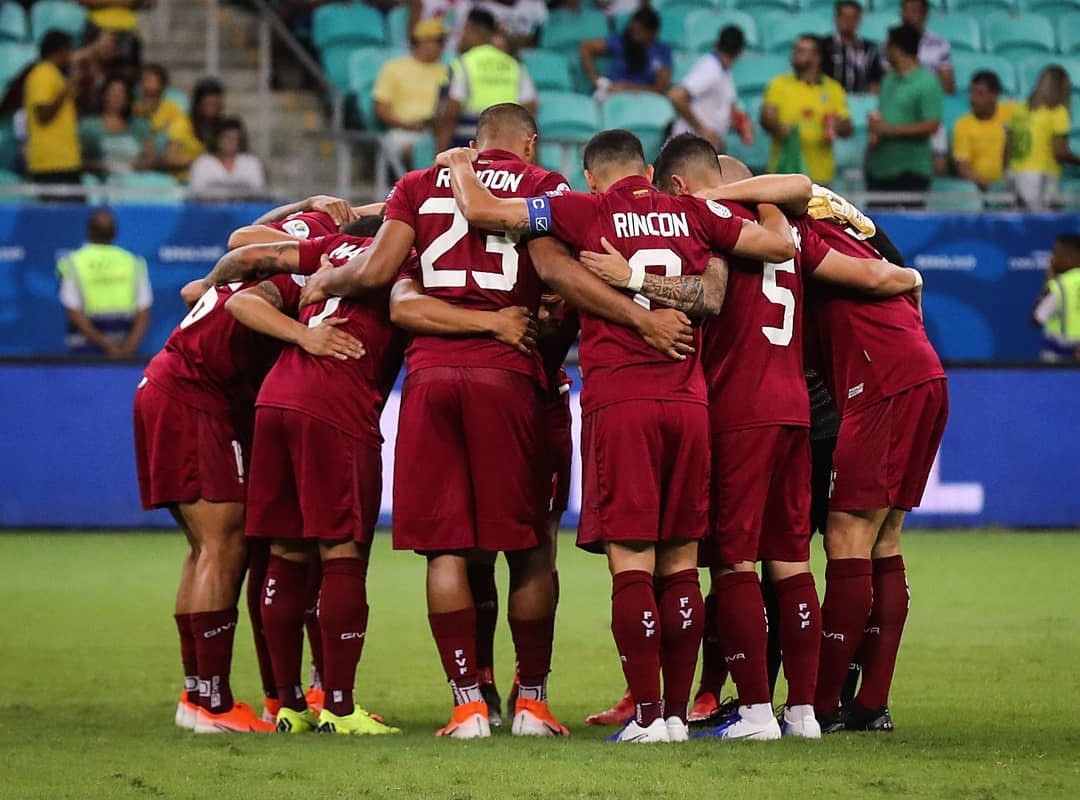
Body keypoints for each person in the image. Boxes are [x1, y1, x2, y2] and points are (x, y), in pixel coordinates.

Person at [302, 104, 696, 739]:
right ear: (530, 144)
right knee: (532, 545)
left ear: (473, 143)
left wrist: (327, 277)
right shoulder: (546, 188)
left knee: (447, 550)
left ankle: (468, 705)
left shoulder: (416, 186)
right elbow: (561, 279)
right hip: (513, 377)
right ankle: (533, 703)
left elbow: (384, 281)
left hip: (429, 379)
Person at [438, 127, 802, 744]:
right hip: (690, 405)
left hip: (621, 402)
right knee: (683, 562)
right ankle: (679, 720)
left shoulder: (587, 209)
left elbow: (479, 210)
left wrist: (457, 164)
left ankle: (649, 716)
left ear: (591, 175)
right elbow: (771, 247)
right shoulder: (692, 211)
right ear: (649, 171)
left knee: (631, 563)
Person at [210, 219, 401, 736]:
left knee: (287, 556)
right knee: (343, 555)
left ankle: (288, 705)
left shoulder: (324, 257)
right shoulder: (402, 262)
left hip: (274, 402)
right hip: (336, 407)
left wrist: (300, 332)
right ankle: (339, 708)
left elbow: (239, 299)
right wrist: (313, 340)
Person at [133, 255, 313, 734]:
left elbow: (207, 281)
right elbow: (246, 307)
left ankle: (198, 695)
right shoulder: (291, 281)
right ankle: (213, 704)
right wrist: (305, 335)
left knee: (203, 550)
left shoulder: (266, 255)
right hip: (193, 398)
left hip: (168, 386)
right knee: (223, 545)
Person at [799, 188, 947, 735]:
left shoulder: (800, 233)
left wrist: (908, 280)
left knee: (846, 536)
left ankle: (822, 706)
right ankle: (870, 703)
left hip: (882, 384)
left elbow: (891, 277)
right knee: (883, 539)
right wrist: (911, 280)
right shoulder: (850, 228)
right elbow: (896, 272)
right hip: (918, 373)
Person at [435, 8, 537, 151]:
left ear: (472, 29)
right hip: (510, 139)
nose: (461, 37)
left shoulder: (463, 64)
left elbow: (451, 111)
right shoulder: (513, 64)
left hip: (471, 137)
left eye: (464, 31)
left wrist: (441, 151)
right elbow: (530, 106)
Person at [58, 208, 152, 356]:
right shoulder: (132, 261)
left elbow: (73, 311)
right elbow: (144, 311)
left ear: (88, 232)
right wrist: (128, 348)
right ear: (115, 232)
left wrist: (110, 347)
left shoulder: (73, 262)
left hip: (89, 345)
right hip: (116, 342)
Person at [761, 35, 852, 185]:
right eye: (796, 50)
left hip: (819, 175)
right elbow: (766, 117)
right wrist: (778, 127)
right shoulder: (779, 84)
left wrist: (835, 126)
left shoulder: (833, 88)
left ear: (817, 57)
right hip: (782, 173)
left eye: (802, 51)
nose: (796, 54)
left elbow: (847, 126)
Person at [866, 25, 943, 201]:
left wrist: (890, 130)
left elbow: (932, 125)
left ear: (897, 49)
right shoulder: (888, 79)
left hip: (910, 171)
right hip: (879, 168)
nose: (884, 50)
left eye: (887, 45)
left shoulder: (927, 83)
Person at [373, 18, 449, 167]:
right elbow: (380, 109)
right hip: (402, 132)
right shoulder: (394, 68)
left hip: (437, 132)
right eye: (438, 41)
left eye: (443, 42)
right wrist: (407, 125)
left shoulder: (447, 71)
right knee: (422, 148)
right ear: (421, 42)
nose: (442, 46)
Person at [1008, 66, 1080, 211]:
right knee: (1042, 226)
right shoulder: (1058, 112)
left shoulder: (1019, 109)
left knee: (1020, 226)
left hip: (1014, 173)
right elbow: (1060, 152)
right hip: (1039, 176)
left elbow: (1008, 145)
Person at [668, 25, 749, 153]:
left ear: (717, 43)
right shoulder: (711, 68)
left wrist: (740, 123)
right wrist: (702, 129)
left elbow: (728, 106)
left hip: (703, 147)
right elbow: (676, 96)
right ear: (740, 51)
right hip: (690, 146)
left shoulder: (723, 71)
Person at [24, 31, 84, 191]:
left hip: (66, 161)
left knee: (75, 214)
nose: (71, 56)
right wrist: (66, 89)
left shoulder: (57, 75)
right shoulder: (42, 73)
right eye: (69, 50)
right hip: (51, 163)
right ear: (60, 51)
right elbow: (42, 115)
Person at [579, 6, 671, 99]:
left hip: (641, 98)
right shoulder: (621, 41)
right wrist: (596, 79)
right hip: (611, 92)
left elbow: (660, 89)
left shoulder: (662, 52)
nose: (634, 34)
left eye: (639, 31)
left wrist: (629, 87)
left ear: (652, 32)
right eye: (633, 29)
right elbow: (585, 47)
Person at [134, 63, 203, 176]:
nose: (145, 84)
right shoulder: (132, 110)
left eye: (150, 80)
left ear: (163, 86)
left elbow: (172, 155)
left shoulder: (174, 110)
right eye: (143, 80)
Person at [79, 75, 154, 177]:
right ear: (104, 95)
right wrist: (100, 165)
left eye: (121, 93)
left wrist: (140, 164)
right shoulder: (88, 126)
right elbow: (80, 158)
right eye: (113, 93)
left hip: (136, 178)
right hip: (101, 180)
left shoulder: (140, 125)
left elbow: (150, 156)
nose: (117, 97)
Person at [951, 71, 1014, 191]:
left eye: (980, 94)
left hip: (1013, 185)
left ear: (994, 95)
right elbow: (963, 166)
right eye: (972, 92)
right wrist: (989, 188)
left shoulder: (1012, 112)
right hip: (980, 190)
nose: (973, 98)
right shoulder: (963, 124)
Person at [189, 118, 266, 199]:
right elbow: (196, 194)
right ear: (217, 139)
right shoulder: (202, 163)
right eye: (226, 137)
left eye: (234, 138)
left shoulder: (251, 163)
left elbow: (259, 193)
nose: (230, 142)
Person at [1032, 234, 1080, 362]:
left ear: (1071, 257)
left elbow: (1037, 318)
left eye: (1056, 253)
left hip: (1061, 360)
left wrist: (1048, 283)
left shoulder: (1061, 285)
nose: (1052, 259)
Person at [822, 1, 884, 94]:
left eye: (853, 17)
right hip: (829, 99)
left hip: (861, 101)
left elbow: (875, 80)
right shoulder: (823, 46)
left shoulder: (870, 49)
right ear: (836, 19)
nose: (848, 21)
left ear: (859, 20)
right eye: (844, 16)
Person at [898, 0, 953, 95]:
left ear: (926, 15)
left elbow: (948, 87)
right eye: (905, 11)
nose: (909, 16)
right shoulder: (890, 44)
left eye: (914, 11)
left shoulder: (940, 44)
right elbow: (887, 82)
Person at [189, 76, 225, 152]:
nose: (213, 110)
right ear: (198, 104)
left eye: (216, 105)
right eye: (209, 104)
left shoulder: (224, 127)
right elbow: (173, 159)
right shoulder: (184, 124)